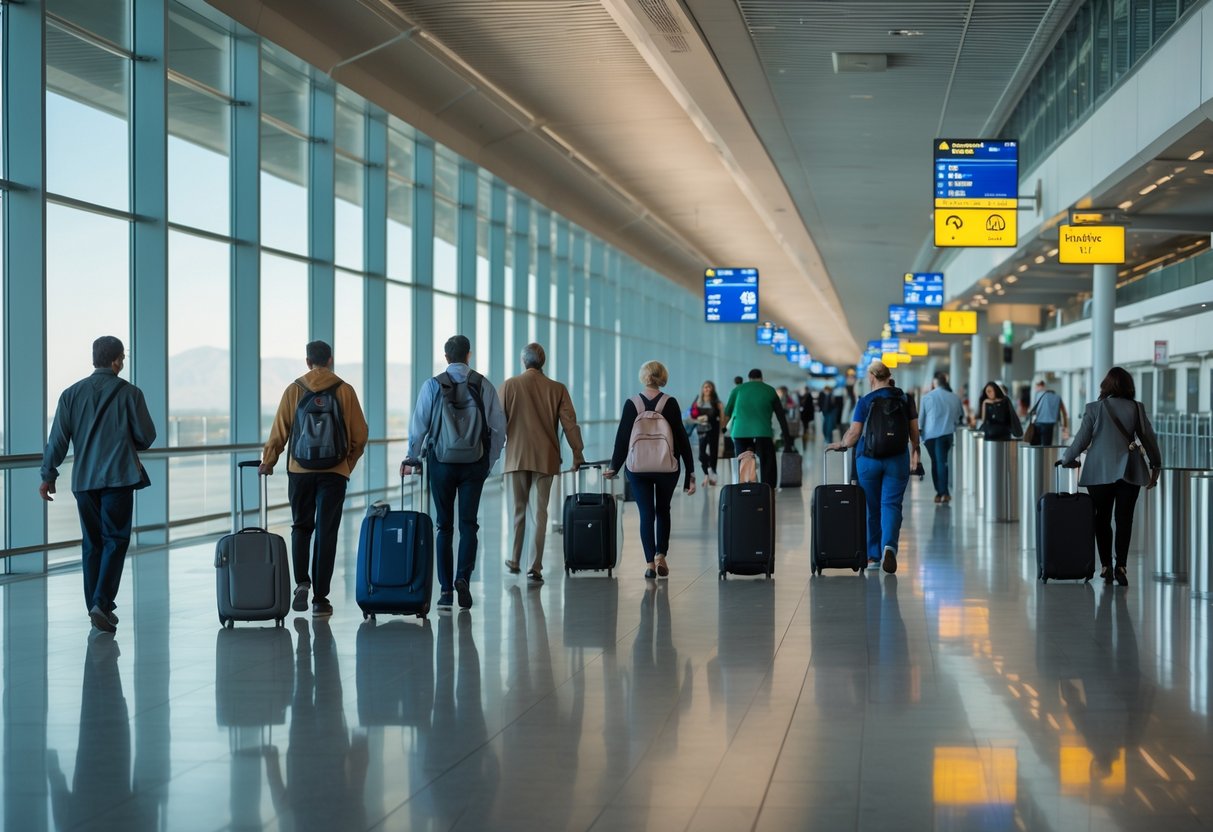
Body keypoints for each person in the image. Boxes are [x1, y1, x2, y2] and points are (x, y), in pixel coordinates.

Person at [39, 336, 156, 633]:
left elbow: (58, 440)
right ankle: (100, 604)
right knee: (115, 540)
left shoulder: (70, 394)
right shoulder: (130, 393)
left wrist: (48, 474)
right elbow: (146, 436)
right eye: (123, 358)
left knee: (92, 543)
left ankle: (95, 605)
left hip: (84, 481)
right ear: (116, 360)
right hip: (118, 478)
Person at [261, 340, 368, 618]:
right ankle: (321, 598)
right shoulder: (344, 390)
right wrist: (346, 463)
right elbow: (360, 435)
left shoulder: (295, 390)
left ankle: (301, 583)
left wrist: (268, 461)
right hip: (334, 472)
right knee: (327, 531)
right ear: (330, 359)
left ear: (308, 361)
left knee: (301, 526)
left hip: (300, 471)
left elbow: (280, 431)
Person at [402, 335, 505, 611]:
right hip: (474, 463)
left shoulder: (432, 385)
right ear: (468, 355)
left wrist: (412, 457)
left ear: (446, 357)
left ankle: (446, 590)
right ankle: (463, 578)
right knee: (469, 524)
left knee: (443, 526)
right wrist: (489, 462)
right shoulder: (483, 384)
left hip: (441, 463)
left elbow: (419, 427)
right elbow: (499, 427)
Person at [1059, 367, 1161, 587]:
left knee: (1101, 519)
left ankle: (1105, 566)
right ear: (1129, 386)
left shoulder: (1094, 408)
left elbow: (1081, 440)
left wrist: (1067, 459)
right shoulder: (1136, 408)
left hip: (1099, 472)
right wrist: (1156, 465)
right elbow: (1149, 438)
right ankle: (1121, 566)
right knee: (1124, 519)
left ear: (1105, 386)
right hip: (1130, 471)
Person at [498, 342, 585, 583]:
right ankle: (534, 566)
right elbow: (570, 424)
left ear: (523, 361)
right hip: (546, 457)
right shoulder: (557, 389)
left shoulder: (509, 385)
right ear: (543, 362)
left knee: (517, 510)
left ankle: (515, 559)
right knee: (540, 512)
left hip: (516, 457)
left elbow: (496, 424)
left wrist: (492, 455)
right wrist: (577, 453)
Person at [605, 361, 696, 579]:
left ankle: (649, 565)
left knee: (646, 513)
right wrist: (690, 474)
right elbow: (682, 439)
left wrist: (613, 466)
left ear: (643, 376)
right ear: (662, 377)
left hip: (638, 468)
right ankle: (660, 554)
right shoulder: (670, 403)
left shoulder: (632, 403)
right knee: (663, 510)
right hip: (666, 466)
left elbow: (622, 439)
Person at [827, 361, 920, 574]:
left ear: (871, 377)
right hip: (897, 459)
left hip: (868, 460)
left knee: (871, 506)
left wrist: (841, 444)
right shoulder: (906, 399)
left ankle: (872, 556)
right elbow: (914, 432)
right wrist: (916, 452)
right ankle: (890, 546)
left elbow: (854, 434)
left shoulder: (865, 401)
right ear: (889, 376)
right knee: (891, 504)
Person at [723, 368, 793, 488]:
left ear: (749, 378)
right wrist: (787, 440)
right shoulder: (770, 390)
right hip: (763, 432)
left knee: (742, 462)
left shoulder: (738, 389)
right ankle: (768, 488)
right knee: (767, 463)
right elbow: (781, 416)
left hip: (740, 432)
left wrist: (722, 429)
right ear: (761, 378)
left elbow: (727, 413)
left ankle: (744, 488)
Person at [919, 371, 965, 504]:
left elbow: (921, 420)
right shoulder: (955, 398)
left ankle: (940, 492)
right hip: (946, 434)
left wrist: (918, 437)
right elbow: (959, 417)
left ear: (934, 383)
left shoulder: (927, 397)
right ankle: (943, 493)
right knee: (942, 462)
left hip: (930, 436)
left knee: (935, 462)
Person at [689, 380, 722, 485]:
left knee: (713, 451)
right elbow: (692, 415)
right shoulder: (698, 401)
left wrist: (722, 429)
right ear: (702, 389)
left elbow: (721, 417)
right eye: (705, 387)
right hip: (701, 429)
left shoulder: (716, 402)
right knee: (701, 454)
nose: (707, 389)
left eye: (709, 387)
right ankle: (707, 471)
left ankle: (713, 472)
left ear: (712, 389)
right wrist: (698, 418)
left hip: (713, 429)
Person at [1028, 379, 1068, 445]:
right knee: (1046, 446)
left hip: (1037, 424)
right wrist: (1065, 426)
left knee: (1035, 446)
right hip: (1048, 425)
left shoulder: (1038, 395)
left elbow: (1033, 410)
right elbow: (1064, 413)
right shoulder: (1057, 397)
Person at [722, 376, 743, 460]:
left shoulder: (735, 391)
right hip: (746, 421)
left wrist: (724, 425)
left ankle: (738, 460)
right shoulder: (745, 390)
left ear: (735, 382)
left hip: (736, 420)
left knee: (736, 441)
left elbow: (729, 409)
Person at [798, 386, 816, 451]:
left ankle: (805, 432)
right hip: (805, 413)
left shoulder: (808, 396)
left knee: (805, 423)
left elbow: (808, 406)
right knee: (805, 423)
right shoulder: (806, 396)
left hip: (806, 413)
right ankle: (805, 431)